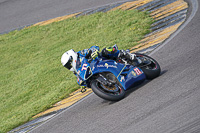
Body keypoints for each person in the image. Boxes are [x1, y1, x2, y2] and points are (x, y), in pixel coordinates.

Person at [61, 44, 138, 73]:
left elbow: (94, 47)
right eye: (67, 66)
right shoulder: (76, 71)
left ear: (72, 58)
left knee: (106, 50)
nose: (69, 66)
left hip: (100, 60)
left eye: (69, 64)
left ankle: (125, 54)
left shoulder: (81, 54)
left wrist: (94, 51)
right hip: (97, 70)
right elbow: (80, 78)